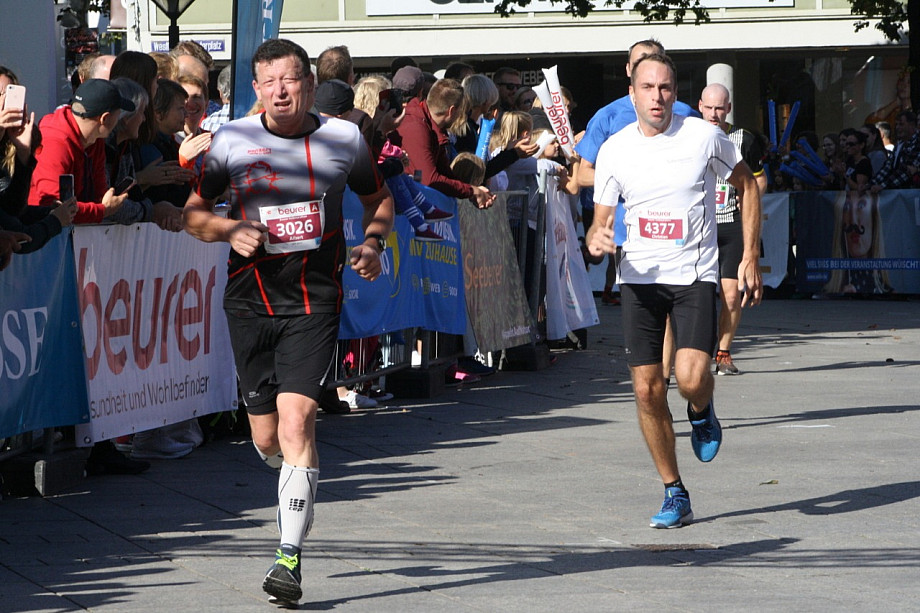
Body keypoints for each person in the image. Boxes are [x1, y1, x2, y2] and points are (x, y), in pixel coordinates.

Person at [182, 38, 394, 606]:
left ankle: (288, 558)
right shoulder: (231, 141)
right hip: (248, 301)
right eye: (269, 82)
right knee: (267, 437)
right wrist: (229, 230)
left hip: (314, 301)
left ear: (309, 84)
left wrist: (373, 243)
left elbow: (378, 200)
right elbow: (193, 214)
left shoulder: (344, 139)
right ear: (256, 89)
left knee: (298, 424)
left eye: (291, 79)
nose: (280, 92)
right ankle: (298, 483)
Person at [586, 53, 762, 529]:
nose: (657, 97)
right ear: (632, 94)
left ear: (675, 93)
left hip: (693, 276)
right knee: (647, 390)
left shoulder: (704, 137)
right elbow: (600, 221)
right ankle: (674, 491)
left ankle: (701, 409)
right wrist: (597, 239)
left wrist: (749, 254)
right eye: (648, 88)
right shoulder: (615, 150)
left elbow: (747, 185)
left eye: (665, 88)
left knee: (688, 378)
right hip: (639, 280)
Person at [576, 39, 700, 309]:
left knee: (672, 310)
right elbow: (582, 176)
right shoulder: (608, 116)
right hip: (628, 230)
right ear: (629, 70)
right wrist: (629, 180)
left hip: (677, 228)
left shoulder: (685, 114)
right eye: (640, 63)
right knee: (646, 311)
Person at [698, 83, 767, 376]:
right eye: (709, 108)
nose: (714, 114)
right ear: (700, 107)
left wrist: (750, 198)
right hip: (699, 226)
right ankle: (694, 352)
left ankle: (723, 353)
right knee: (697, 296)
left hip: (731, 224)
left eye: (720, 108)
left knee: (730, 294)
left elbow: (759, 179)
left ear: (728, 109)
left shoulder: (744, 139)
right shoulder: (688, 136)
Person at [28, 79, 132, 223]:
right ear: (105, 118)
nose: (119, 119)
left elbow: (100, 196)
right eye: (118, 114)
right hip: (44, 231)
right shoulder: (55, 142)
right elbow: (55, 208)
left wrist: (105, 203)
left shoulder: (95, 139)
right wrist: (103, 210)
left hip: (74, 232)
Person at [392, 78, 494, 209]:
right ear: (452, 111)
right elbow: (430, 180)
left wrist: (473, 191)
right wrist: (471, 191)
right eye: (461, 112)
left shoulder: (432, 127)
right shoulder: (416, 126)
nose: (461, 117)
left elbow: (444, 173)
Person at [823, 190, 892, 295]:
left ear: (874, 217)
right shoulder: (825, 293)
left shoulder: (892, 294)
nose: (854, 221)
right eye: (846, 207)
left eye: (861, 205)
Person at [870, 110, 920, 192]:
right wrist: (871, 184)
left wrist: (883, 186)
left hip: (912, 194)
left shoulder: (918, 142)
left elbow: (906, 171)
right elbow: (888, 167)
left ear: (912, 125)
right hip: (898, 194)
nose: (897, 128)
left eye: (901, 124)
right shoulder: (899, 144)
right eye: (896, 124)